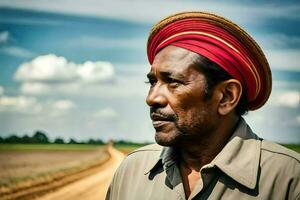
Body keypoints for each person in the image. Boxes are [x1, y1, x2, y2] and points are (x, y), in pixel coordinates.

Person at [105, 11, 300, 200]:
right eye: (152, 82)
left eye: (173, 82)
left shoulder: (289, 180)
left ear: (226, 96)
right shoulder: (132, 170)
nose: (152, 98)